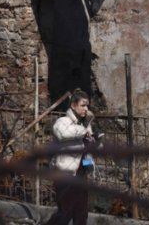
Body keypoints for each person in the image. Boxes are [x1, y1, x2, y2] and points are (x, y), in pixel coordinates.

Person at [46, 89, 98, 225]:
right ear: (73, 106)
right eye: (82, 105)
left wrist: (94, 142)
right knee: (65, 213)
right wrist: (85, 131)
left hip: (81, 175)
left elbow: (87, 149)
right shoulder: (62, 121)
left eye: (87, 106)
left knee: (81, 214)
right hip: (65, 175)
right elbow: (63, 134)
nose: (86, 109)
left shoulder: (85, 125)